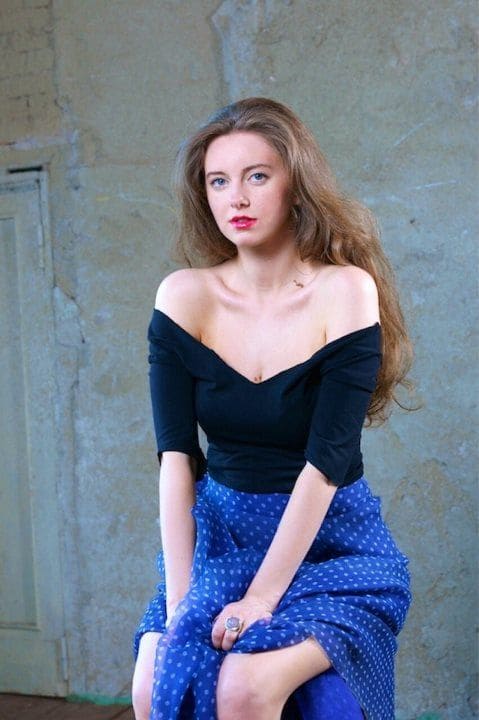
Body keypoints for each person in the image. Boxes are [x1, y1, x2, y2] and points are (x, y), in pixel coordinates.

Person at [131, 97, 412, 720]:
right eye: (218, 181)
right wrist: (181, 606)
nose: (237, 197)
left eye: (257, 176)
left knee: (244, 688)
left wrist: (260, 600)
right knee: (152, 683)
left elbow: (327, 462)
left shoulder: (345, 290)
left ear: (295, 184)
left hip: (330, 544)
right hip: (223, 538)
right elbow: (176, 460)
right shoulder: (183, 296)